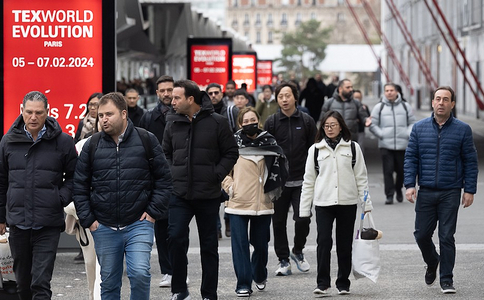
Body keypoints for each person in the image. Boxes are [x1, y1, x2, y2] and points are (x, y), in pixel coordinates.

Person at [73, 92, 172, 300]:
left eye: (109, 114)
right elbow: (79, 186)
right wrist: (89, 220)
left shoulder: (146, 139)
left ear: (124, 114)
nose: (103, 119)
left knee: (140, 274)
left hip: (139, 223)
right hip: (104, 226)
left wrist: (152, 212)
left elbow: (163, 179)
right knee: (109, 282)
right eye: (100, 115)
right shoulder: (92, 145)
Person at [162, 80, 238, 300]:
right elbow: (165, 152)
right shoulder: (172, 122)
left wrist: (215, 174)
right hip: (179, 193)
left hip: (208, 194)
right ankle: (179, 289)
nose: (172, 101)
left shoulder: (218, 122)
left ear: (190, 99)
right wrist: (172, 173)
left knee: (208, 245)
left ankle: (209, 293)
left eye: (177, 98)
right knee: (175, 238)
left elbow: (231, 152)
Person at [0, 91, 78, 300]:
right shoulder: (8, 141)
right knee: (23, 286)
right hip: (18, 223)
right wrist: (1, 216)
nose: (33, 117)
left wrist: (59, 198)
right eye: (29, 112)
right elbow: (2, 180)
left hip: (48, 224)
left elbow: (74, 177)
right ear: (21, 111)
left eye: (38, 113)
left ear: (48, 112)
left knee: (40, 284)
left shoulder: (64, 142)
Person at [404, 86, 478, 294]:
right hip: (426, 190)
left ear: (452, 104)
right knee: (421, 235)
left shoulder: (463, 129)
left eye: (446, 99)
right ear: (433, 102)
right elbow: (411, 158)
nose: (441, 103)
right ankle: (432, 260)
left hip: (450, 191)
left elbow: (470, 162)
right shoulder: (419, 128)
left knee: (446, 236)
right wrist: (410, 184)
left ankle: (447, 279)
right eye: (438, 99)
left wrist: (469, 189)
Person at [300, 110, 373, 297]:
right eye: (326, 125)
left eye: (333, 125)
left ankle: (343, 283)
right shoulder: (315, 150)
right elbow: (309, 180)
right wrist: (304, 208)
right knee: (323, 242)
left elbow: (362, 178)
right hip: (323, 203)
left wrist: (367, 204)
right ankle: (322, 283)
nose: (329, 129)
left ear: (341, 126)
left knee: (344, 244)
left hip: (347, 203)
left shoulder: (353, 148)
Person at [223, 107, 288, 297]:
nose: (249, 123)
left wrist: (274, 190)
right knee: (240, 245)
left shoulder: (270, 142)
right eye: (245, 121)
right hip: (238, 202)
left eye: (253, 120)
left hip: (263, 201)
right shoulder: (232, 144)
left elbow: (281, 167)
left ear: (258, 121)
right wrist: (230, 187)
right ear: (240, 124)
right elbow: (223, 169)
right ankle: (243, 283)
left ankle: (259, 274)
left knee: (260, 244)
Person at [264, 82, 317, 276]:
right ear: (277, 99)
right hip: (279, 182)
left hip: (302, 180)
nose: (284, 100)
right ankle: (283, 259)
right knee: (278, 222)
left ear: (295, 97)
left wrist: (316, 175)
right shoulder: (271, 122)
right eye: (280, 96)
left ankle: (298, 251)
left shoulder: (306, 121)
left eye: (288, 95)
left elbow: (314, 149)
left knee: (303, 218)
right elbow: (267, 151)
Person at [138, 75, 177, 288]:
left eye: (170, 89)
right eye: (162, 90)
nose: (166, 94)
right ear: (157, 93)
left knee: (178, 228)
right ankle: (168, 271)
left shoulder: (183, 115)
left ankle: (179, 268)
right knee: (161, 227)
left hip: (178, 177)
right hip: (156, 179)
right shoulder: (148, 118)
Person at [65, 116, 101, 300]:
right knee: (91, 264)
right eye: (100, 115)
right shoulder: (82, 146)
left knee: (107, 268)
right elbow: (72, 182)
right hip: (88, 216)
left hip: (117, 217)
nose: (103, 119)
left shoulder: (131, 145)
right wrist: (80, 211)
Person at [369, 83, 416, 204]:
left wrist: (407, 133)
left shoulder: (405, 106)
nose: (389, 92)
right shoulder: (379, 107)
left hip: (402, 144)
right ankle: (389, 195)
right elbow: (372, 124)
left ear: (397, 92)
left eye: (391, 90)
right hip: (386, 145)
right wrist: (381, 134)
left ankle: (398, 189)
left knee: (401, 171)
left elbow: (412, 123)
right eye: (387, 90)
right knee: (388, 171)